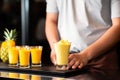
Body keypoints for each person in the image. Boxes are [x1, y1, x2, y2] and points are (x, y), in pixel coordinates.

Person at [45, 0, 120, 70]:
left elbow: (118, 26)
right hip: (67, 60)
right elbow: (51, 20)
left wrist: (85, 55)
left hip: (101, 59)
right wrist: (55, 48)